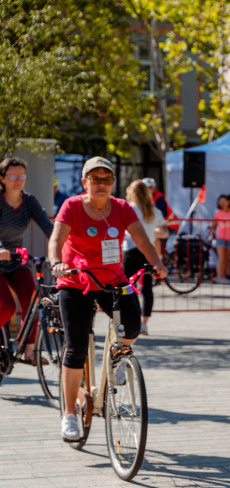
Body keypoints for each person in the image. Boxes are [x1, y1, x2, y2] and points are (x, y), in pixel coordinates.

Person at [50, 157, 167, 441]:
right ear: (84, 182)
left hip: (110, 279)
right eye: (95, 178)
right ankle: (68, 414)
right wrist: (56, 262)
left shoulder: (122, 208)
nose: (101, 184)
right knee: (76, 347)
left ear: (113, 183)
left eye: (106, 179)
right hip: (75, 280)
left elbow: (142, 240)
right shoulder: (73, 206)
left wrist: (157, 263)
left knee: (133, 325)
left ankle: (116, 359)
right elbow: (56, 239)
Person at [0, 157, 54, 362]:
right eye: (13, 176)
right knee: (6, 307)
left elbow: (49, 228)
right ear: (2, 179)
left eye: (22, 176)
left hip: (15, 260)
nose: (18, 180)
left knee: (32, 301)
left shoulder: (29, 201)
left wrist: (63, 248)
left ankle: (29, 350)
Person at [124, 179, 166, 333]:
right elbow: (165, 231)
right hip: (148, 252)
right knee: (147, 288)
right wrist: (153, 232)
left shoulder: (130, 208)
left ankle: (135, 319)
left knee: (129, 286)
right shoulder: (153, 210)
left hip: (132, 250)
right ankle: (144, 322)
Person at [212, 194, 230, 282]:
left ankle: (225, 276)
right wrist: (209, 235)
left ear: (228, 202)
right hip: (220, 237)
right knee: (221, 257)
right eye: (220, 202)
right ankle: (219, 276)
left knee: (227, 257)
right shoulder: (218, 213)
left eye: (224, 201)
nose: (222, 203)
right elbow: (214, 225)